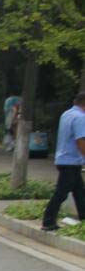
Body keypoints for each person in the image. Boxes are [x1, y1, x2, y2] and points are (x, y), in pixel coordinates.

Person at [41, 93, 85, 232]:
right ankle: (48, 221)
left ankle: (84, 218)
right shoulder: (80, 117)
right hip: (71, 160)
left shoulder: (66, 114)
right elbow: (80, 140)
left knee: (80, 192)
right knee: (61, 193)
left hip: (64, 159)